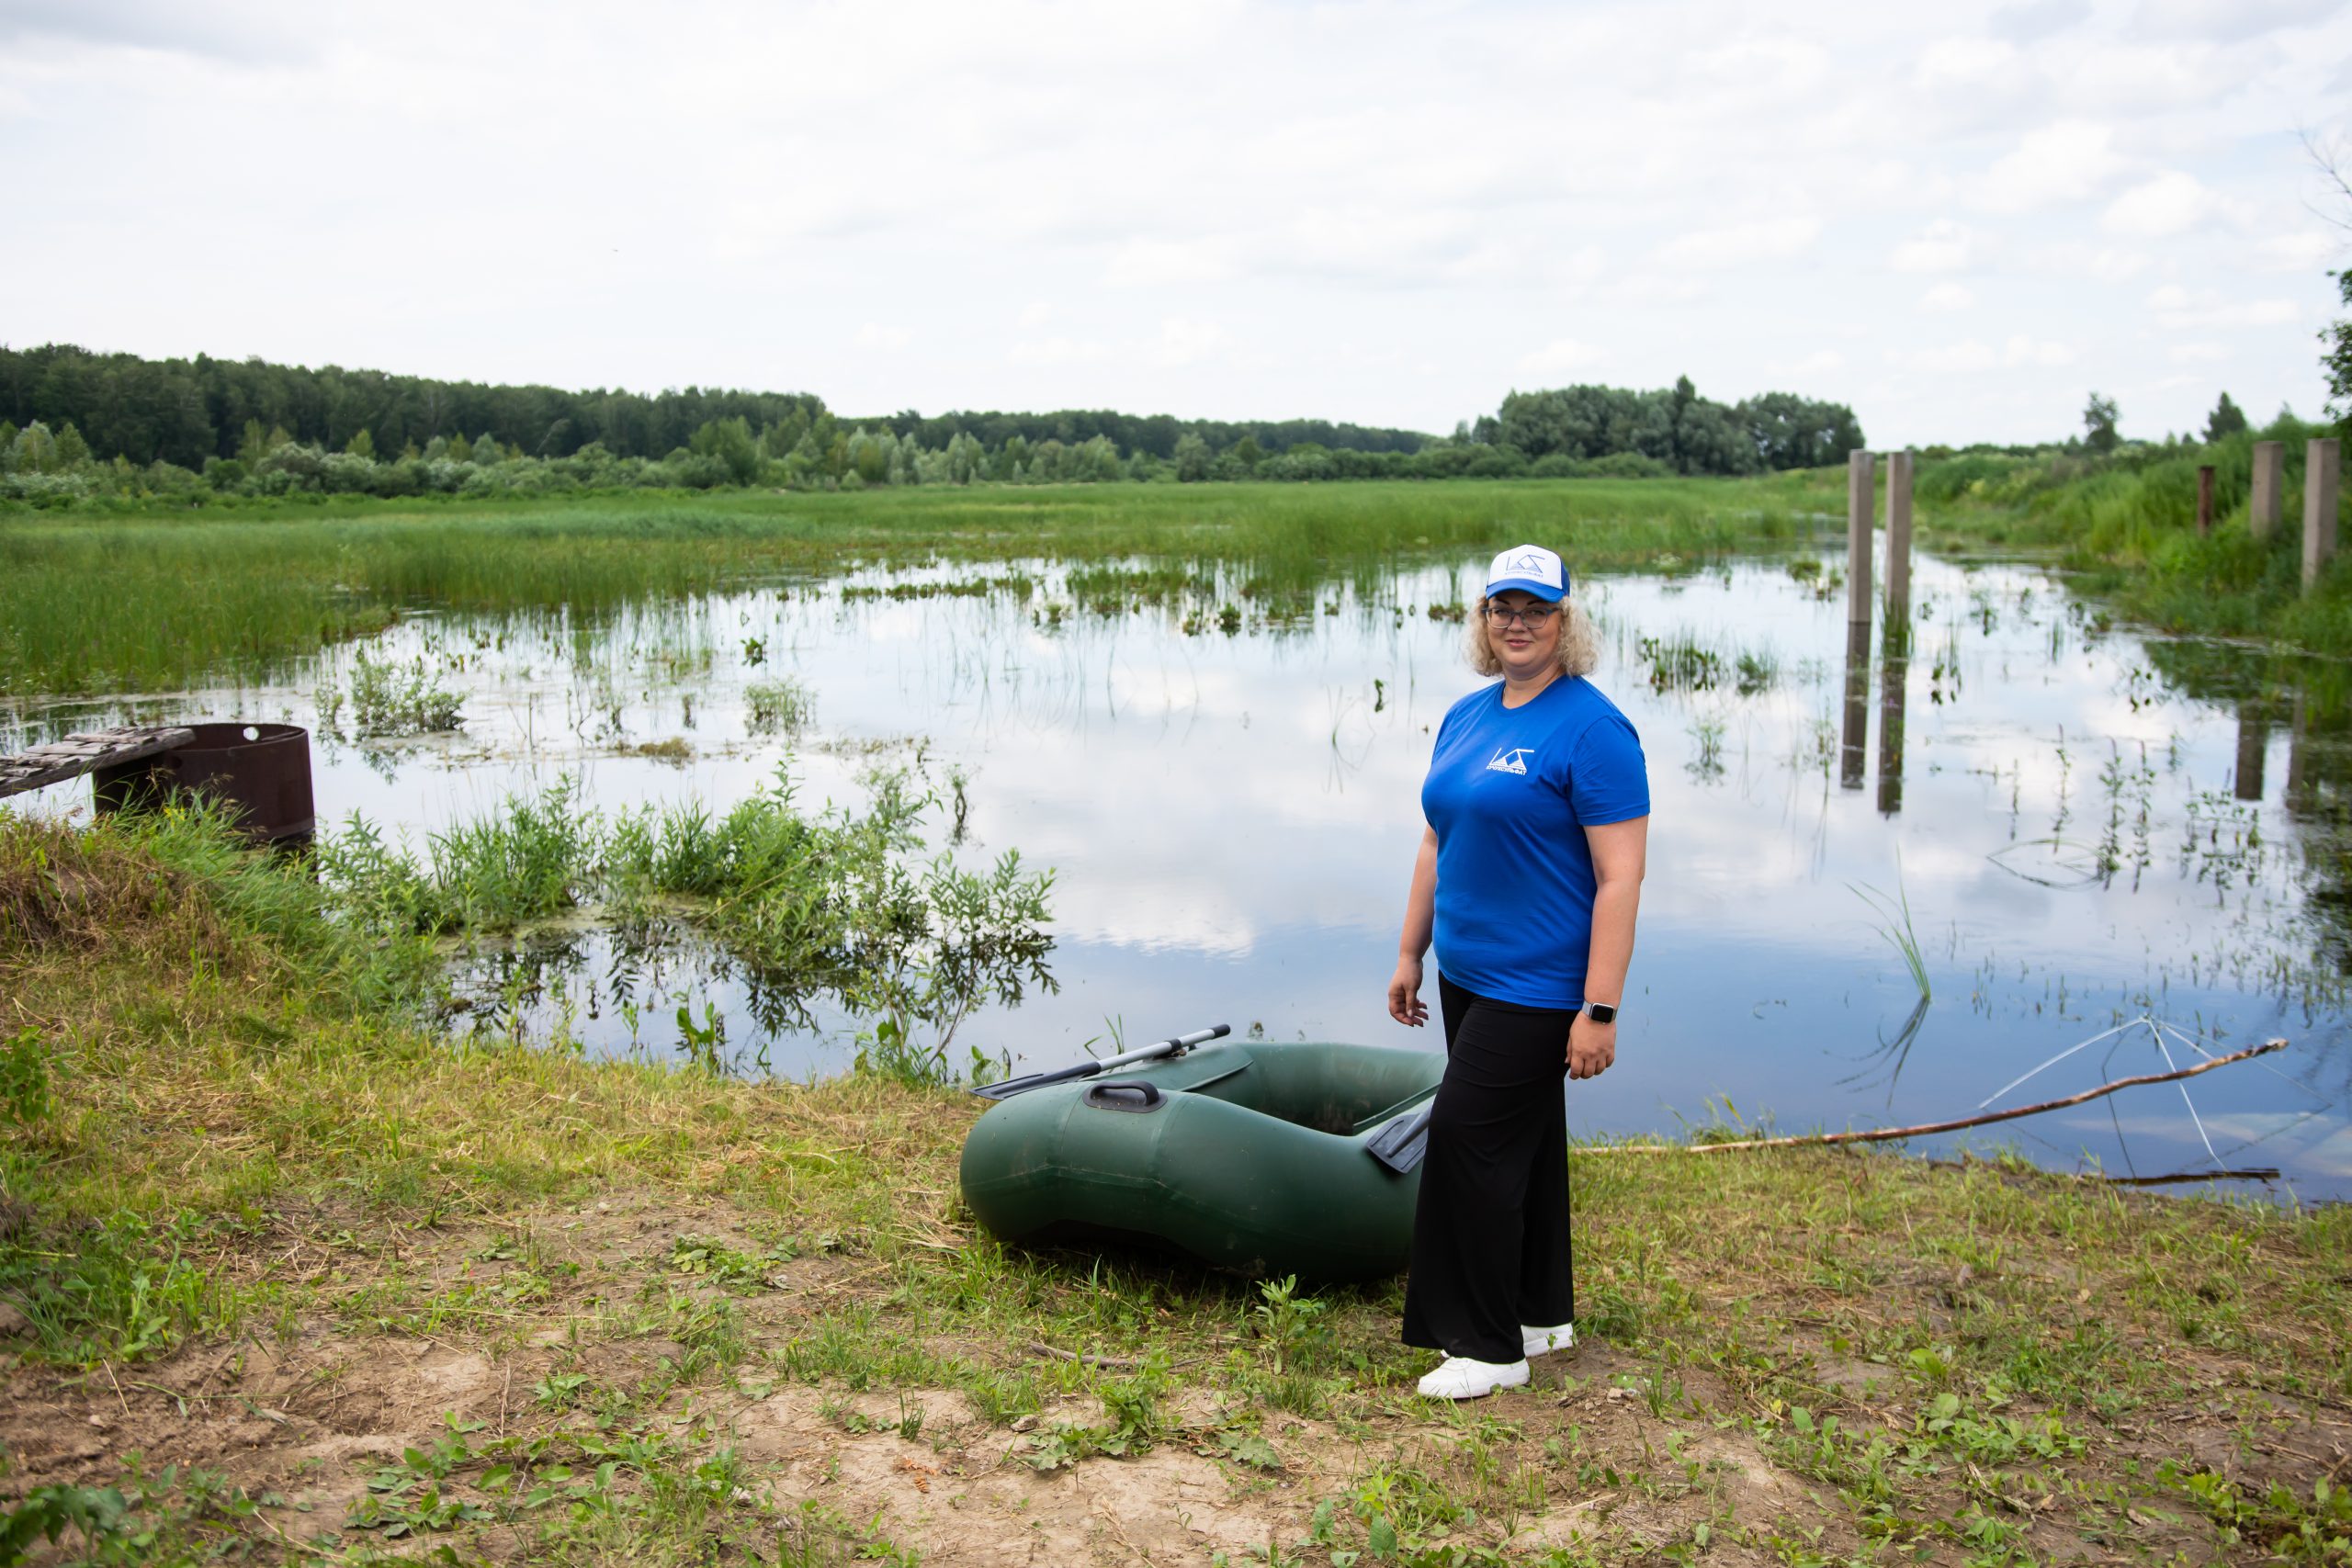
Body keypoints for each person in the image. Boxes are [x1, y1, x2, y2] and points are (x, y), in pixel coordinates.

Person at [1386, 543, 1649, 1401]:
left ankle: (1488, 1345)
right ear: (1484, 617)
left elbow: (1620, 877)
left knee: (1466, 1138)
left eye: (1537, 608)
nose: (1518, 622)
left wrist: (1600, 1007)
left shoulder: (1594, 728)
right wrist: (1410, 953)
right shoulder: (1468, 714)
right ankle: (1541, 1312)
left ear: (1565, 621)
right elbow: (1437, 836)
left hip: (1538, 985)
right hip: (1467, 972)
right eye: (1504, 606)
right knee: (1525, 1144)